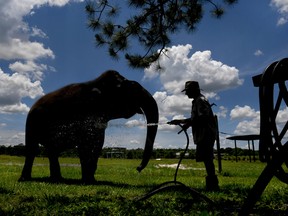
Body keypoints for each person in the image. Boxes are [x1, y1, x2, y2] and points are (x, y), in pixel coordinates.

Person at [168, 81, 219, 191]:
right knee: (206, 159)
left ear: (195, 90)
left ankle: (213, 186)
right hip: (203, 134)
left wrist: (181, 121)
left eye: (188, 91)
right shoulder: (196, 101)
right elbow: (197, 119)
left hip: (206, 134)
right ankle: (212, 184)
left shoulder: (200, 100)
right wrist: (187, 124)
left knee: (208, 159)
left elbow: (203, 118)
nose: (186, 94)